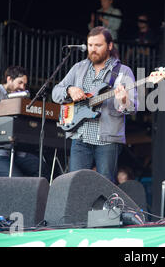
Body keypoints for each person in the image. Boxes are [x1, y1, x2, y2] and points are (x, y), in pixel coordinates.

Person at [52, 27, 137, 183]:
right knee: (75, 183)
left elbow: (133, 109)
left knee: (104, 184)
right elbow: (55, 92)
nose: (93, 49)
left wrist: (124, 100)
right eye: (90, 45)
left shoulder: (123, 72)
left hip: (107, 139)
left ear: (109, 46)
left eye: (98, 45)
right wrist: (70, 90)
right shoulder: (78, 68)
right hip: (80, 136)